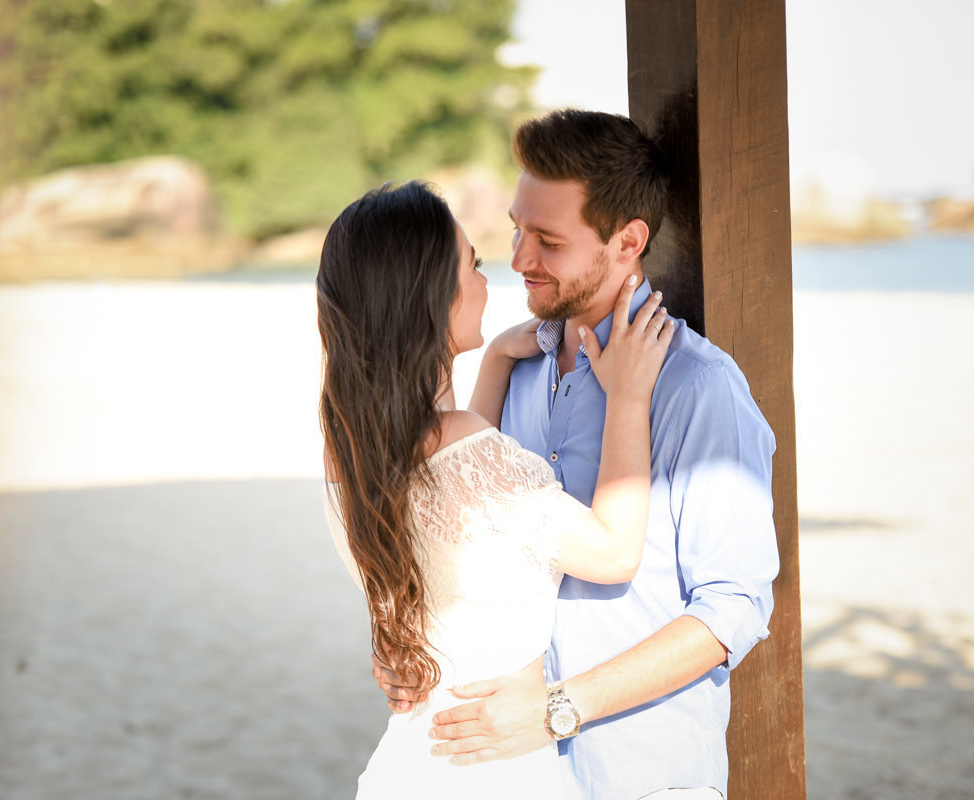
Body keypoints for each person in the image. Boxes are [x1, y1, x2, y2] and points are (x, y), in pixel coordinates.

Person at [372, 110, 781, 799]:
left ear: (628, 242)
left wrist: (559, 708)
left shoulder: (699, 387)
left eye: (548, 241)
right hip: (504, 775)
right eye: (516, 228)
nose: (519, 257)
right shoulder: (511, 375)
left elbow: (732, 609)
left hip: (643, 779)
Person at [317, 180, 676, 799]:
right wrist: (629, 395)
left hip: (415, 756)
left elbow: (457, 486)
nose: (492, 278)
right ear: (431, 296)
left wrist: (494, 362)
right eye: (473, 265)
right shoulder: (463, 449)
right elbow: (614, 553)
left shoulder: (350, 447)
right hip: (492, 760)